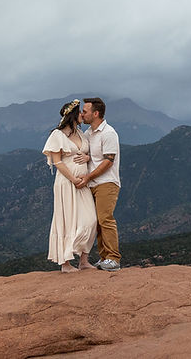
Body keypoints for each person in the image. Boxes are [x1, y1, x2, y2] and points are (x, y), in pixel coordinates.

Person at [42, 99, 96, 272]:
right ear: (73, 115)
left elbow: (89, 153)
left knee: (91, 220)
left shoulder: (81, 133)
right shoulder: (57, 135)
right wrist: (73, 179)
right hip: (66, 183)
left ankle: (83, 260)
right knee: (67, 220)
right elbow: (57, 162)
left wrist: (87, 158)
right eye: (80, 112)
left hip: (83, 182)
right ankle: (65, 263)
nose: (82, 115)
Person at [74, 96, 121, 271]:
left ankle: (113, 258)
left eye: (85, 111)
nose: (82, 114)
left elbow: (108, 161)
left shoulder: (108, 133)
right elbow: (94, 157)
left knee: (105, 219)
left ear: (96, 113)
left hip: (106, 182)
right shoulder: (88, 134)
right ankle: (104, 258)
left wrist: (88, 177)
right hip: (93, 183)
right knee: (97, 222)